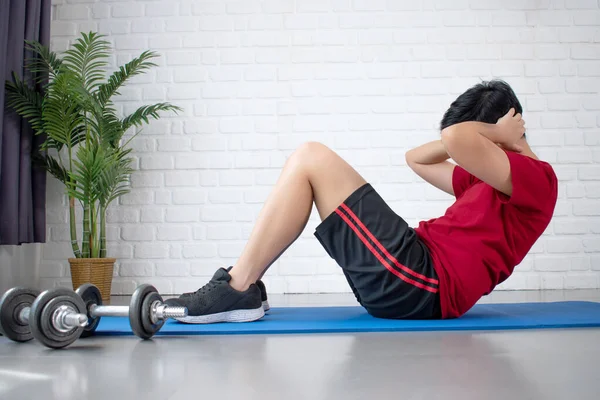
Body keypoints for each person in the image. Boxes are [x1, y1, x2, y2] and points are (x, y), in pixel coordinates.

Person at [166, 80, 558, 323]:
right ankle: (242, 284)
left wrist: (491, 134)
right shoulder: (487, 180)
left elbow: (457, 139)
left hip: (423, 284)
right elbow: (417, 158)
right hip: (413, 268)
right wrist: (491, 136)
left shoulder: (537, 180)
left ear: (506, 127)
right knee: (310, 159)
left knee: (311, 157)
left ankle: (237, 286)